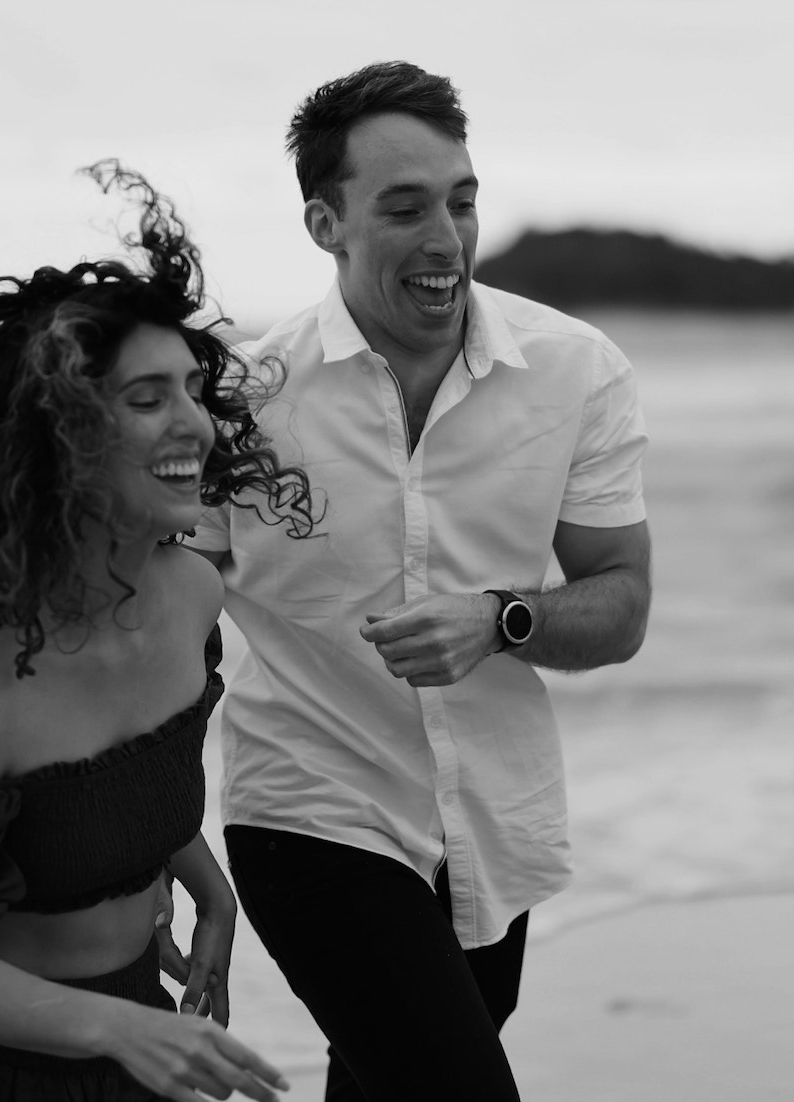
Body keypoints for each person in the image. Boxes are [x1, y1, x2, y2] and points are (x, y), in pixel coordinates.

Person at [185, 62, 652, 1101]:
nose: (447, 239)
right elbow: (169, 637)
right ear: (326, 223)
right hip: (306, 810)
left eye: (461, 201)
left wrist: (501, 620)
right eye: (404, 209)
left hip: (492, 817)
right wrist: (159, 853)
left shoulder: (575, 371)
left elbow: (621, 602)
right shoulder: (240, 403)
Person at [0, 162, 315, 1101]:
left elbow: (123, 785)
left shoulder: (193, 596)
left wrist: (210, 888)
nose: (196, 424)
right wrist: (121, 1028)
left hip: (129, 1039)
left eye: (192, 389)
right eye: (147, 399)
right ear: (64, 435)